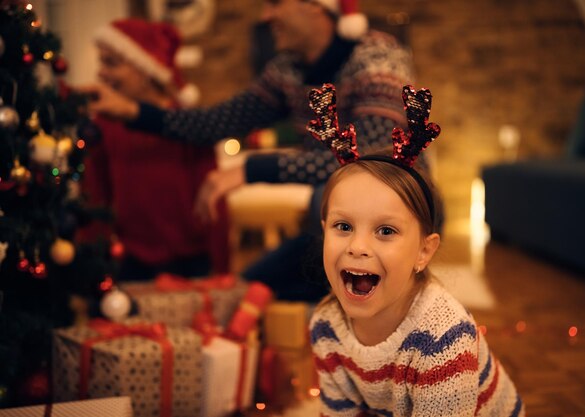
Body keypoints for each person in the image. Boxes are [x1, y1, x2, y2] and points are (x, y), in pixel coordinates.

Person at [82, 0, 420, 299]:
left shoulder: (377, 58)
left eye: (274, 3)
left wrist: (248, 170)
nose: (265, 15)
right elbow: (215, 123)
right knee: (244, 290)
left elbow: (367, 160)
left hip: (401, 205)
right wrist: (132, 112)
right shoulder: (287, 70)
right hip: (333, 220)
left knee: (332, 200)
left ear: (316, 6)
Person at [308, 85, 524, 416]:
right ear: (324, 231)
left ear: (424, 252)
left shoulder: (443, 338)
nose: (358, 247)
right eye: (344, 227)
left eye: (385, 231)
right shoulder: (325, 325)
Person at [80, 18, 229, 280]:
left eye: (111, 63)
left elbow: (214, 205)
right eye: (101, 62)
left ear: (145, 69)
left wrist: (221, 269)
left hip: (192, 262)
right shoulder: (104, 125)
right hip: (130, 261)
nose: (101, 73)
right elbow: (95, 197)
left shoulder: (189, 123)